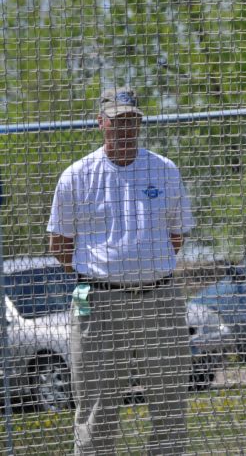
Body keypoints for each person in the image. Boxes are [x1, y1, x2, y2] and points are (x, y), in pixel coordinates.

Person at [48, 87, 196, 455]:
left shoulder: (164, 170)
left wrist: (143, 270)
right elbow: (59, 245)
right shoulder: (77, 176)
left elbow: (176, 236)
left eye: (132, 121)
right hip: (99, 305)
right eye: (118, 121)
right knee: (97, 407)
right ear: (101, 123)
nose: (126, 129)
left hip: (159, 300)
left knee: (170, 404)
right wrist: (100, 275)